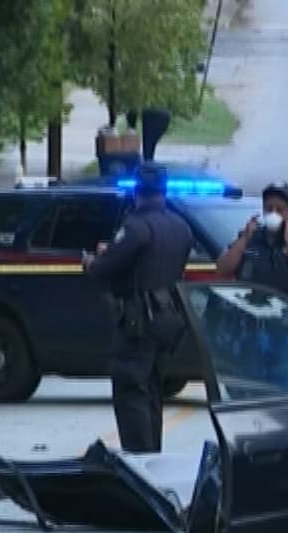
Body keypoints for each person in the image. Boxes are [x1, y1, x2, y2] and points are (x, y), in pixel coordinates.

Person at [83, 163, 194, 453]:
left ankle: (140, 461)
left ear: (137, 192)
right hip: (169, 318)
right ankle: (153, 456)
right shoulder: (180, 227)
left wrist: (92, 262)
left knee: (131, 390)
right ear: (163, 191)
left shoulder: (136, 227)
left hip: (139, 321)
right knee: (152, 392)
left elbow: (104, 270)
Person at [214, 182, 288, 294]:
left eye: (279, 210)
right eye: (269, 209)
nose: (273, 214)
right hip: (249, 307)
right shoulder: (248, 237)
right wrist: (245, 239)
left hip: (286, 309)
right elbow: (221, 271)